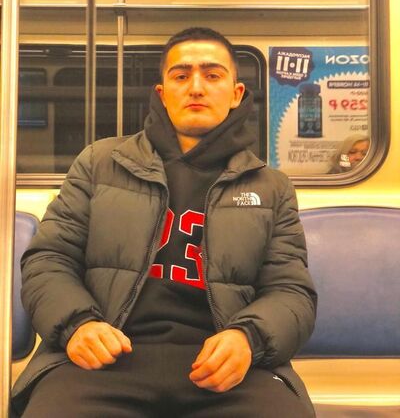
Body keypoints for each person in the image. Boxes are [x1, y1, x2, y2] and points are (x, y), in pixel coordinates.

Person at [12, 27, 317, 418]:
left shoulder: (270, 187)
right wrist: (78, 325)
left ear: (236, 93)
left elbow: (291, 291)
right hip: (106, 358)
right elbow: (48, 261)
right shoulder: (100, 163)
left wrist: (248, 338)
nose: (196, 87)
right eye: (181, 75)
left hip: (226, 367)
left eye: (212, 75)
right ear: (162, 92)